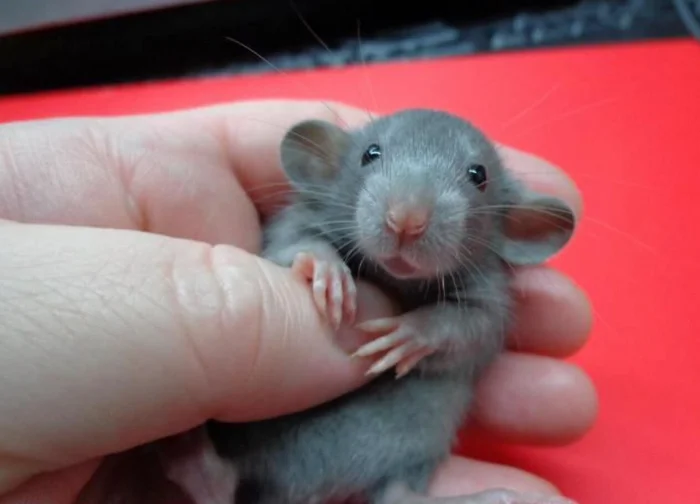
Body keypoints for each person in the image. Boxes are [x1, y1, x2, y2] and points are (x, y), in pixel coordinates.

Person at [0, 99, 596, 503]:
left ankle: (398, 493)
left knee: (429, 423)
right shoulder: (316, 218)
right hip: (258, 436)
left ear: (515, 226)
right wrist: (313, 258)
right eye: (373, 158)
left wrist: (433, 329)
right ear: (325, 164)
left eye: (473, 179)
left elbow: (479, 329)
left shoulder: (481, 286)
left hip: (396, 432)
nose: (408, 215)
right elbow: (289, 244)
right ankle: (216, 473)